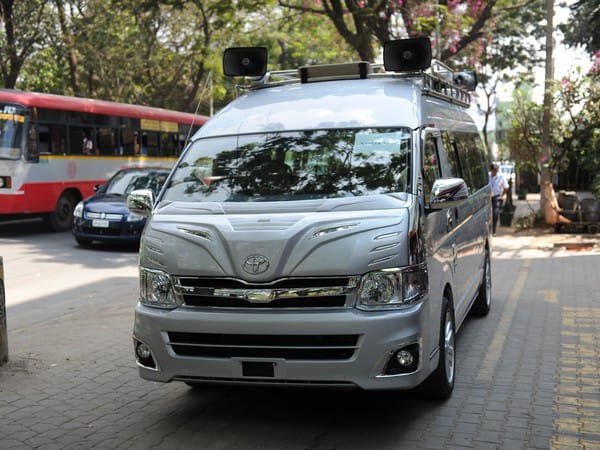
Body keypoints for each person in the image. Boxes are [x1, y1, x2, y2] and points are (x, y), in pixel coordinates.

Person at [489, 163, 508, 235]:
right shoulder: (488, 176)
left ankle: (493, 230)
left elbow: (506, 187)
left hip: (496, 197)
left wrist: (502, 195)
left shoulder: (501, 177)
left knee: (495, 213)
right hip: (488, 197)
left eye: (496, 170)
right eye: (493, 170)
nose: (495, 172)